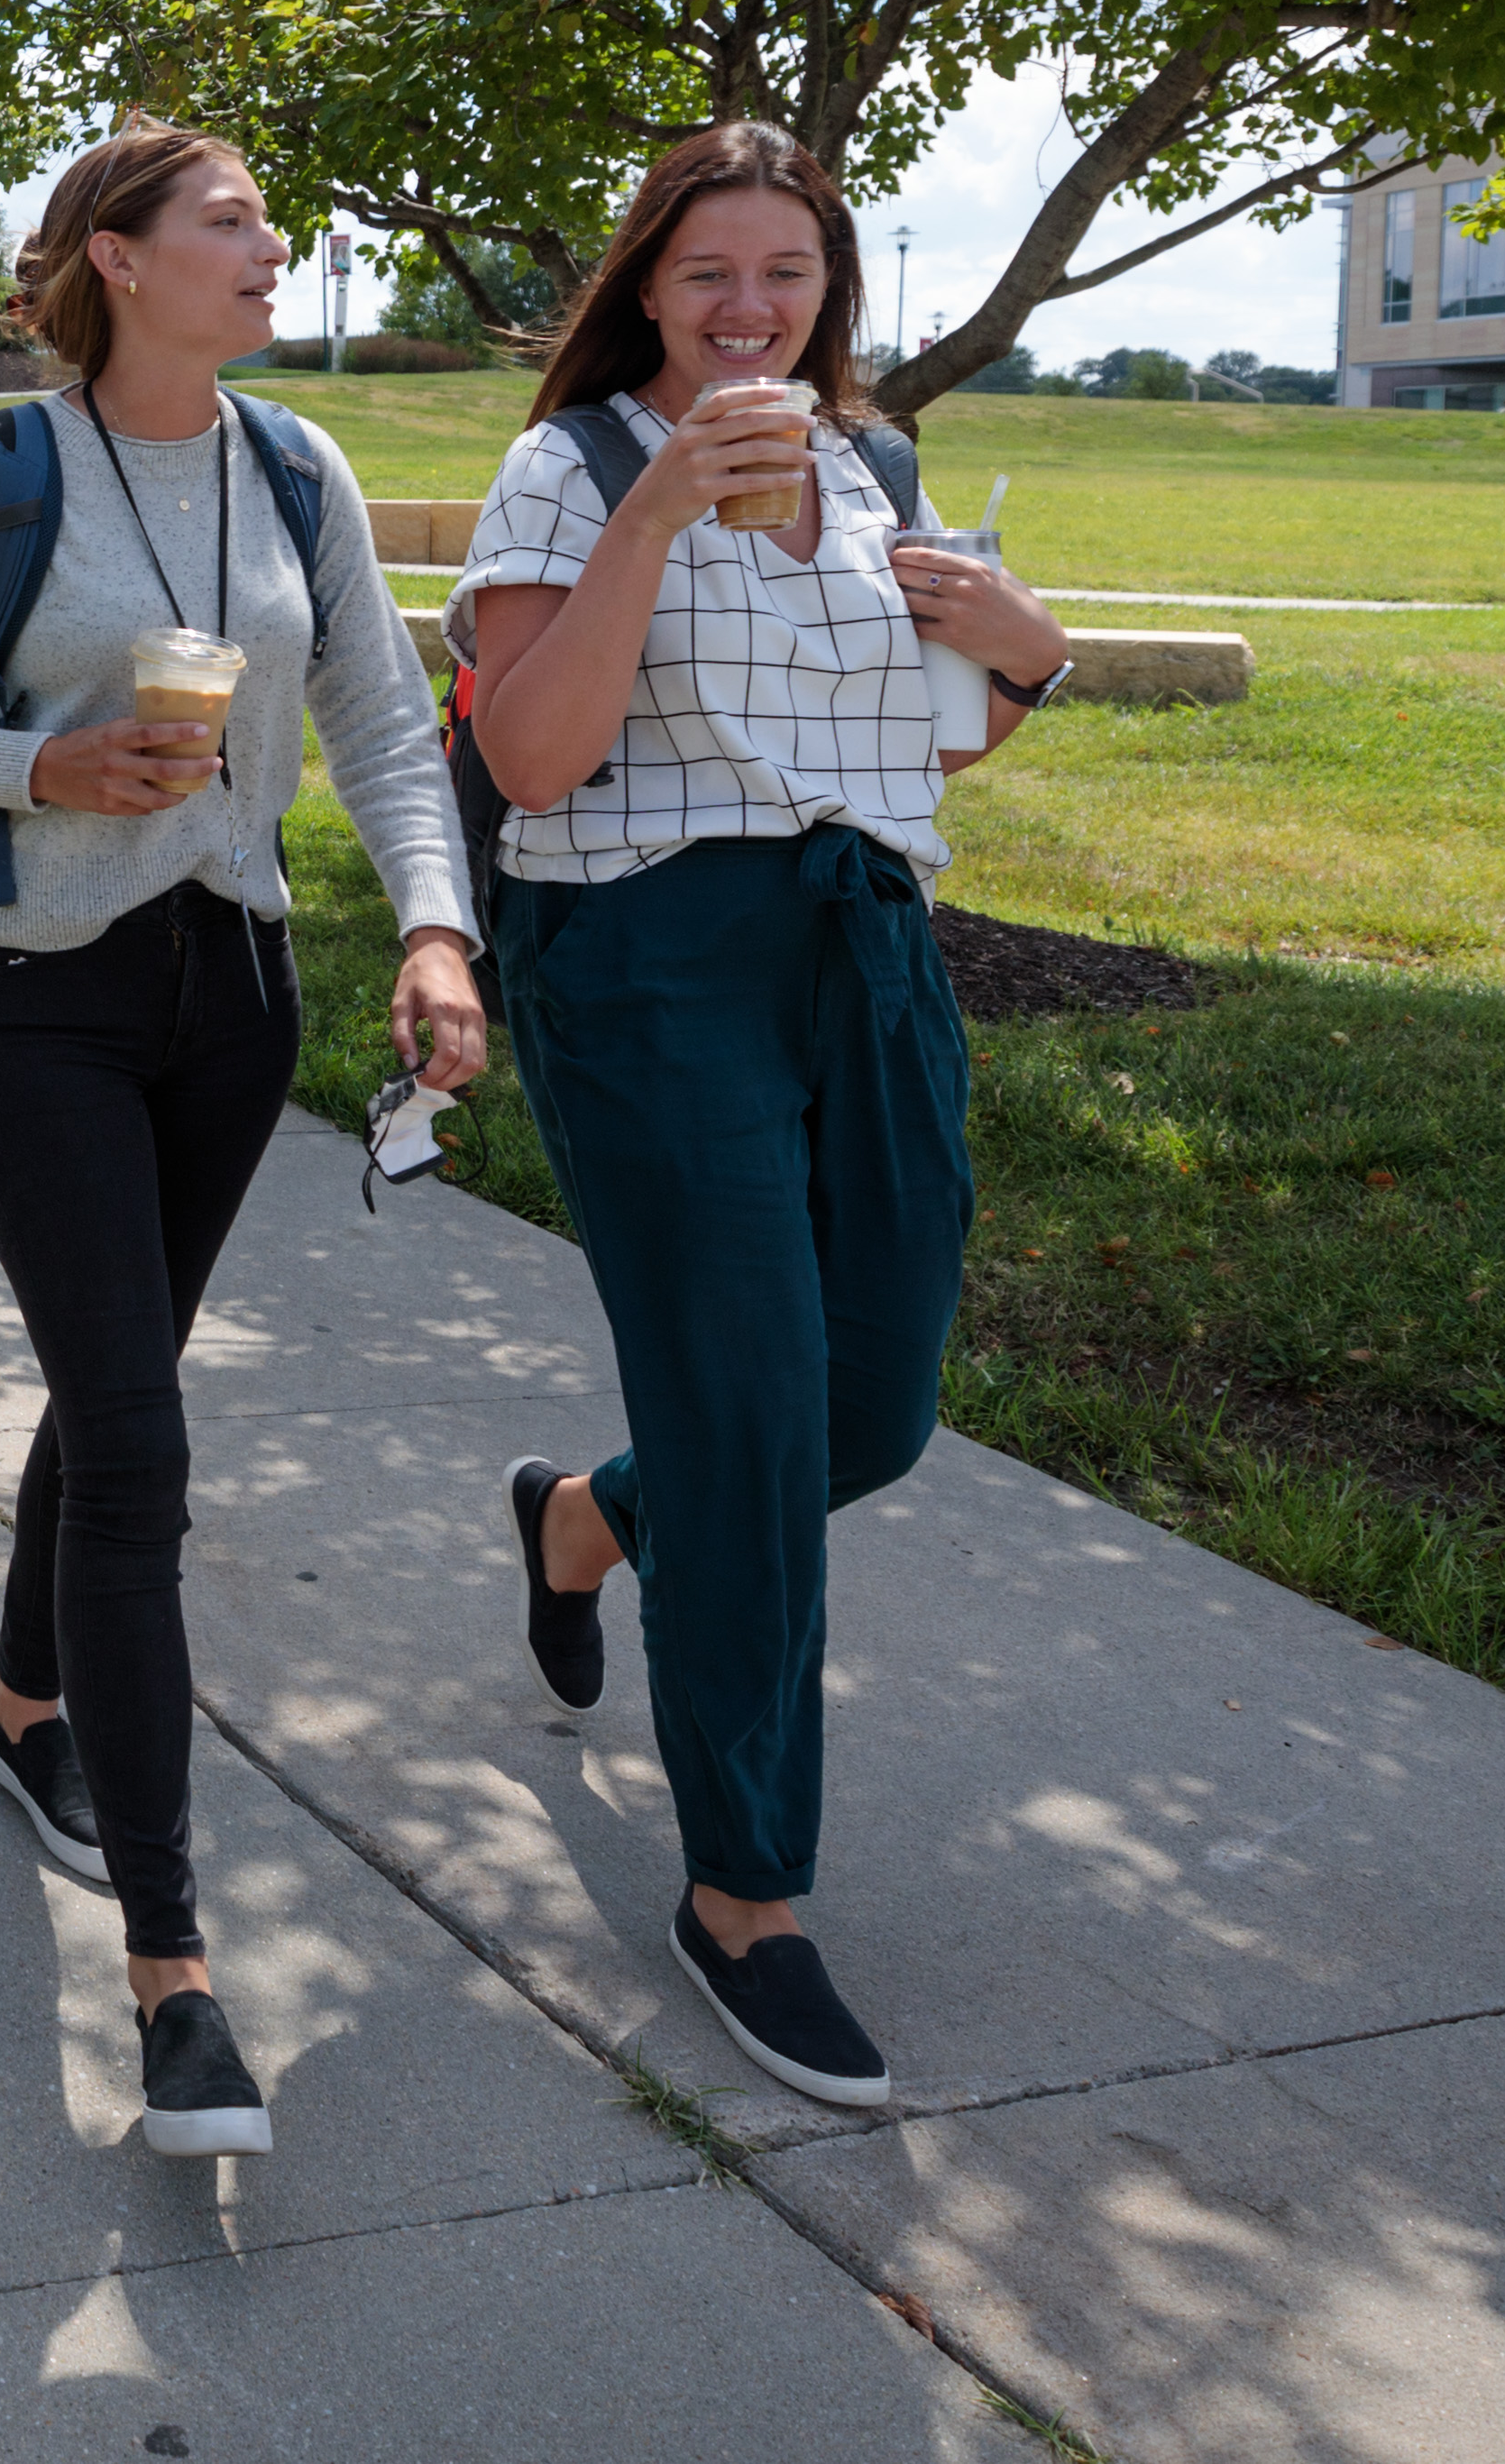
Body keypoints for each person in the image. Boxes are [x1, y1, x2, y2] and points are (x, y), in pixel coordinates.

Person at [0, 125, 487, 2159]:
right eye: (236, 220)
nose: (277, 244)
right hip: (38, 994)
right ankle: (177, 1980)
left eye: (274, 214)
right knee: (141, 1449)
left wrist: (433, 926)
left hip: (230, 996)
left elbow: (374, 718)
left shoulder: (293, 470)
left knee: (118, 1402)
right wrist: (39, 762)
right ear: (119, 257)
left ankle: (20, 1705)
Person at [445, 119, 1070, 2114]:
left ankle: (582, 1518)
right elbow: (533, 763)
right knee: (743, 1412)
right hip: (646, 961)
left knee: (863, 1412)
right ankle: (745, 1900)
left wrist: (1019, 649)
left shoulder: (876, 466)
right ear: (645, 283)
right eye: (707, 273)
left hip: (864, 947)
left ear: (830, 293)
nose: (747, 309)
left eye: (783, 277)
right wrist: (654, 517)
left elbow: (934, 735)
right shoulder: (569, 470)